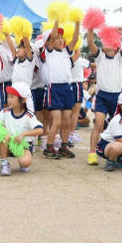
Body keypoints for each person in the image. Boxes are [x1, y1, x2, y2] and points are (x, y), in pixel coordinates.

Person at [86, 27, 122, 165]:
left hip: (117, 97)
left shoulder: (119, 58)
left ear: (116, 45)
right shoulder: (99, 56)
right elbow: (90, 43)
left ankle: (118, 152)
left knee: (120, 126)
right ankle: (92, 153)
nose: (107, 44)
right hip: (102, 96)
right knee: (98, 124)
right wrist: (90, 30)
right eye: (105, 41)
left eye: (111, 41)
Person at [0, 82, 43, 176]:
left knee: (25, 163)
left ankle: (22, 161)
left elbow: (40, 130)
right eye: (8, 97)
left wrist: (23, 134)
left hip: (23, 145)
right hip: (9, 143)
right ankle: (4, 163)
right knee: (2, 137)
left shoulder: (28, 115)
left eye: (12, 97)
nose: (9, 100)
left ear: (23, 100)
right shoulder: (5, 112)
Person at [42, 19, 80, 160]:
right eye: (57, 38)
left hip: (67, 88)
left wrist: (77, 21)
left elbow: (75, 38)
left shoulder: (66, 52)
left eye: (62, 38)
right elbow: (52, 36)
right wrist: (57, 19)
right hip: (54, 89)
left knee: (67, 121)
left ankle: (64, 146)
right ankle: (49, 147)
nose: (60, 40)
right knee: (56, 121)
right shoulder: (49, 51)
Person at [68, 49, 90, 144]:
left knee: (67, 112)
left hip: (66, 85)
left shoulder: (65, 58)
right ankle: (70, 134)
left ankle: (65, 134)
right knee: (75, 112)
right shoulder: (80, 60)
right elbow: (91, 65)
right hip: (76, 85)